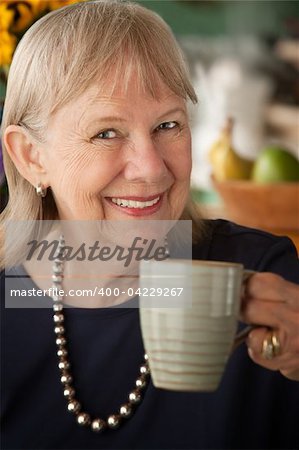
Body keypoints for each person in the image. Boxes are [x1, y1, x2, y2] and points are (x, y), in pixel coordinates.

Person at [0, 1, 298, 449]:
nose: (152, 169)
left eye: (167, 125)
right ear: (30, 157)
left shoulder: (265, 274)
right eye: (106, 132)